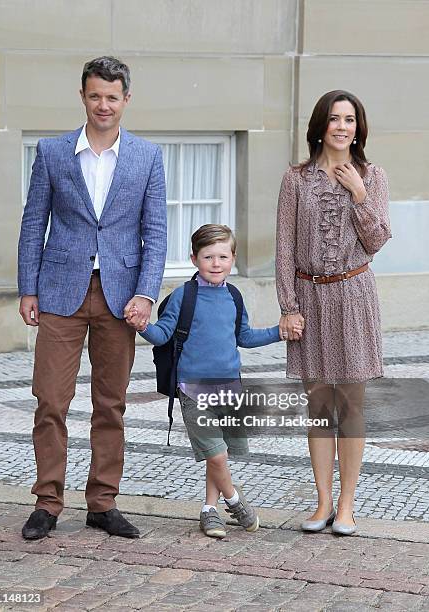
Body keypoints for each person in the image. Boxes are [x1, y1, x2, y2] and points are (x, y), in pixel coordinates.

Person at [17, 56, 167, 540]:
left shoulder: (147, 156)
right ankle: (47, 503)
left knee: (111, 405)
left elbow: (156, 233)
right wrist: (28, 287)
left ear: (126, 99)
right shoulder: (54, 151)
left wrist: (146, 293)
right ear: (83, 96)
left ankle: (102, 503)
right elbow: (32, 223)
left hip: (120, 298)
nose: (104, 104)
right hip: (60, 293)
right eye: (95, 95)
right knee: (51, 401)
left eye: (112, 96)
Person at [276, 90, 391, 535]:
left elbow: (378, 240)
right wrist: (289, 306)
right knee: (319, 405)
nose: (342, 127)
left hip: (354, 295)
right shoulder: (296, 179)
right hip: (310, 298)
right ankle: (322, 502)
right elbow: (284, 245)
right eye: (334, 119)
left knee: (351, 405)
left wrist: (359, 194)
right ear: (320, 126)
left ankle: (347, 506)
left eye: (350, 120)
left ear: (358, 128)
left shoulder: (372, 175)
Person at [131, 224, 287, 538]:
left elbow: (243, 336)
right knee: (215, 454)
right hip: (192, 389)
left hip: (229, 389)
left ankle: (209, 510)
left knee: (219, 455)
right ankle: (235, 499)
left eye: (223, 256)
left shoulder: (233, 296)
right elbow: (163, 334)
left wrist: (278, 332)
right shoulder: (183, 297)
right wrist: (142, 326)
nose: (216, 264)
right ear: (194, 259)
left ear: (233, 259)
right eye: (208, 257)